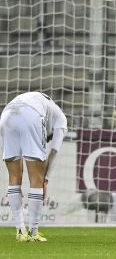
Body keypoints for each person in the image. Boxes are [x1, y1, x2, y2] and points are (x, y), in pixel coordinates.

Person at [0, 92, 67, 242]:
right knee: (37, 177)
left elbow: (6, 154)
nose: (47, 139)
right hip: (31, 114)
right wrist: (45, 180)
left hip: (6, 115)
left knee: (14, 178)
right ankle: (33, 232)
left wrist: (13, 188)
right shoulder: (61, 119)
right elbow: (54, 150)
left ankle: (20, 232)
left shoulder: (47, 107)